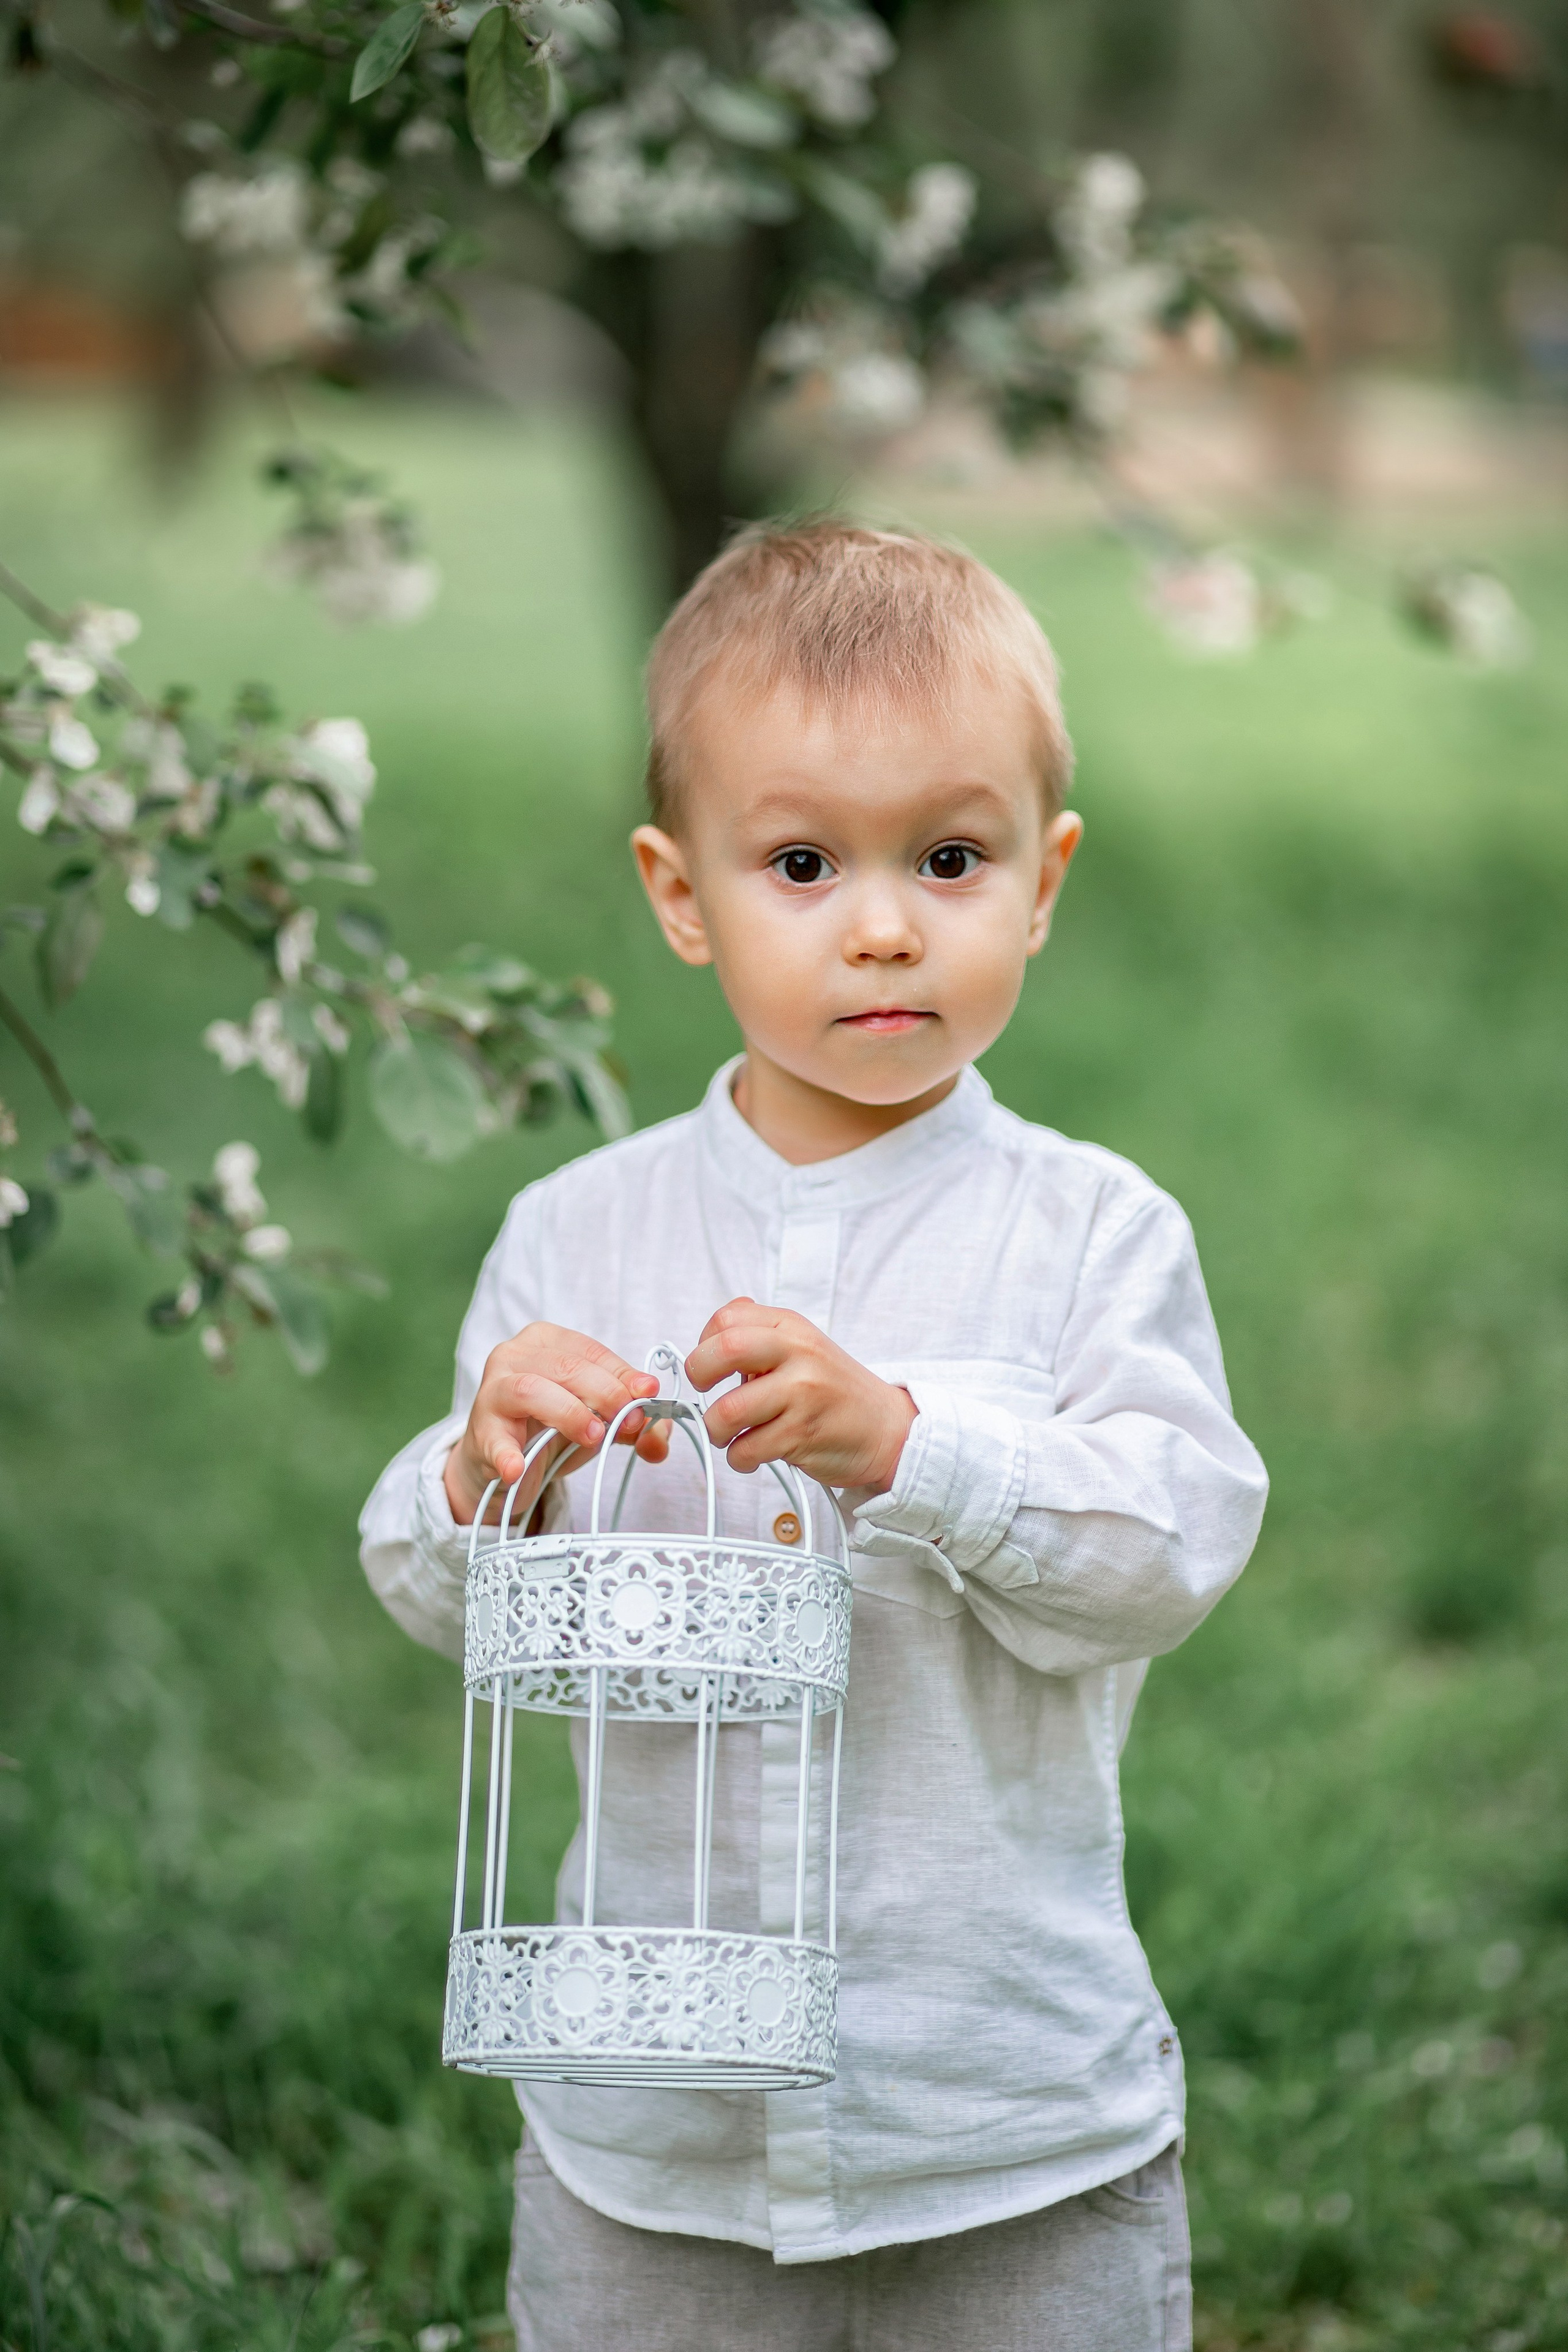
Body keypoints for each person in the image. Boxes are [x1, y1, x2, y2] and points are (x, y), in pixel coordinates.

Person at [360, 519, 1268, 2352]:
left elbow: (1170, 1546)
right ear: (681, 893)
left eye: (949, 857)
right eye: (799, 861)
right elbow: (431, 1586)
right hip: (652, 2143)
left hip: (1005, 2129)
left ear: (1044, 879)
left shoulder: (1092, 1236)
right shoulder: (577, 1236)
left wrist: (914, 1447)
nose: (880, 921)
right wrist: (483, 1478)